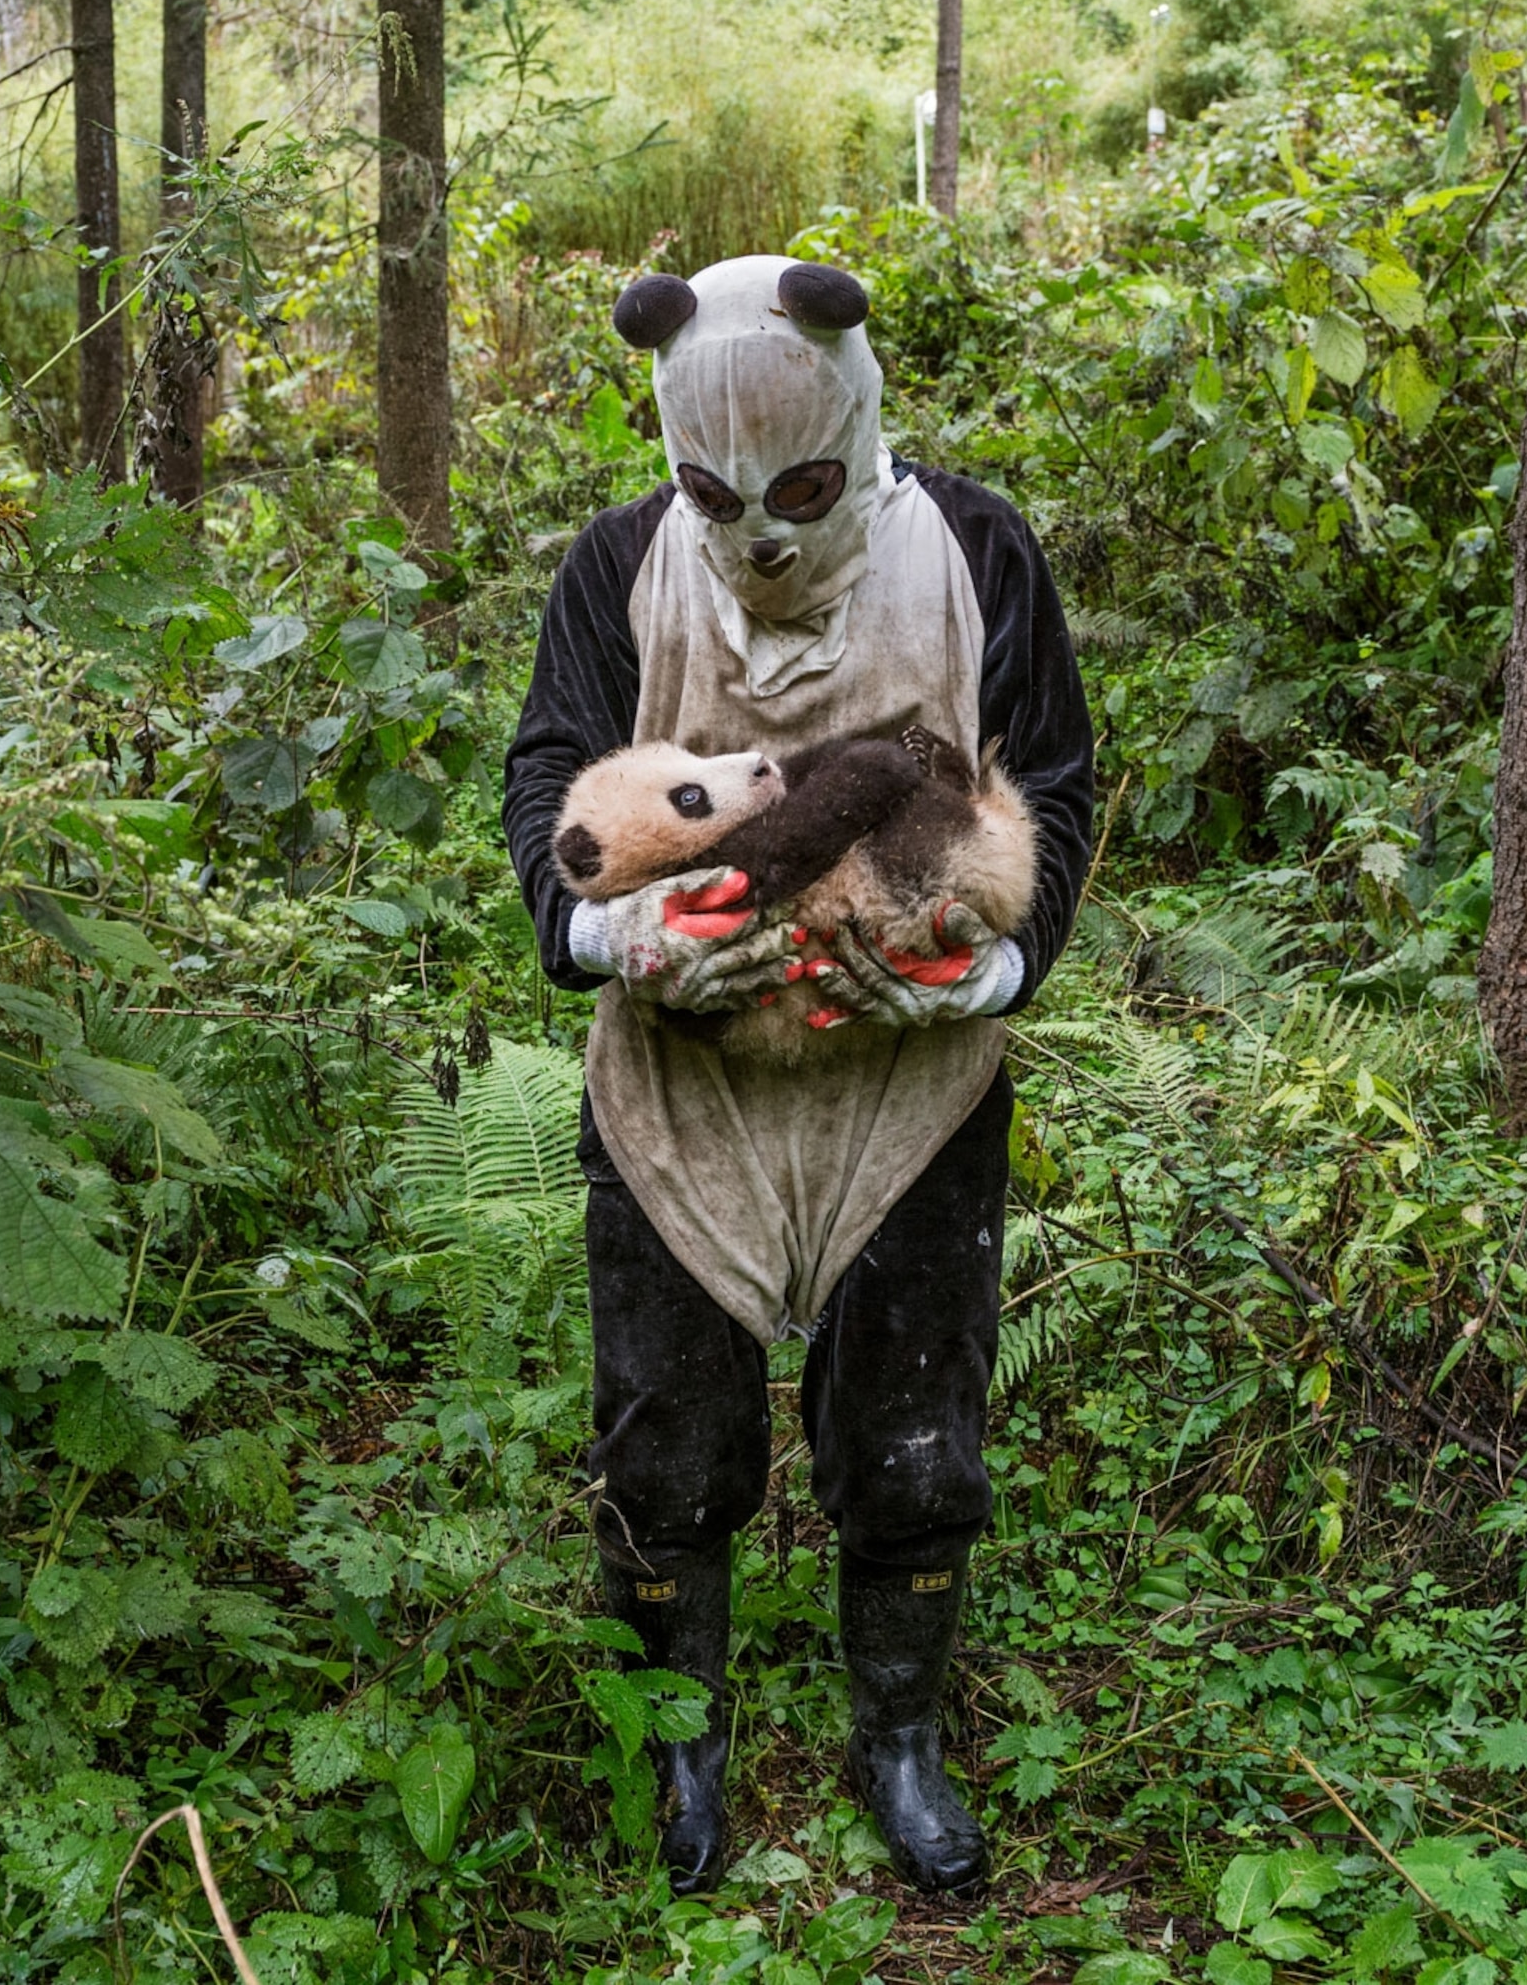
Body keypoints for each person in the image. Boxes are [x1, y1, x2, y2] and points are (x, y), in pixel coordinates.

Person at [501, 255, 1095, 1894]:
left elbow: (1052, 772)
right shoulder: (620, 566)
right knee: (665, 1440)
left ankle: (896, 1731)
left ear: (856, 415)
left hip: (913, 1095)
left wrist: (1000, 961)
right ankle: (685, 1738)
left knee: (918, 1439)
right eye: (715, 491)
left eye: (801, 489)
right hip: (680, 1090)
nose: (758, 533)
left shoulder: (975, 551)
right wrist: (607, 938)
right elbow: (550, 775)